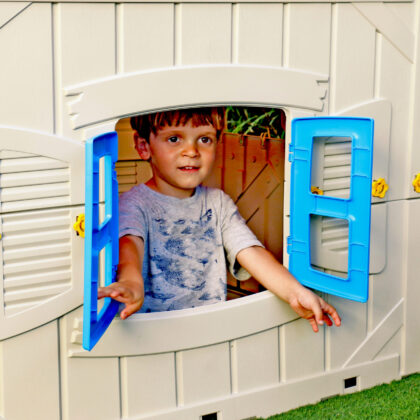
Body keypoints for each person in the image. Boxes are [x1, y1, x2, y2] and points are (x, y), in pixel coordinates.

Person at [98, 107, 341, 333]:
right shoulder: (133, 204)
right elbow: (129, 248)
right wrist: (130, 283)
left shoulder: (218, 202)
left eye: (204, 139)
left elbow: (250, 251)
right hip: (155, 334)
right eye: (174, 139)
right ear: (144, 147)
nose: (192, 151)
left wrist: (295, 292)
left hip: (211, 330)